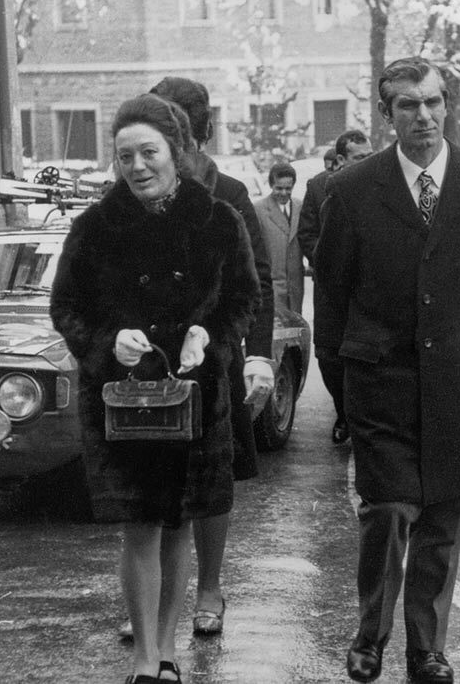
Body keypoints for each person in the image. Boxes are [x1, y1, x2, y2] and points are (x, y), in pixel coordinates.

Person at [315, 57, 460, 684]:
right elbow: (333, 291)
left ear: (446, 105)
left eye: (433, 102)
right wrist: (345, 383)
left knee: (443, 517)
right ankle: (370, 634)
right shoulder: (351, 189)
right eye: (408, 104)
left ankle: (427, 648)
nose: (423, 116)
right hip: (382, 379)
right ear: (387, 115)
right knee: (388, 510)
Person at [50, 94, 261, 684]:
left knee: (179, 525)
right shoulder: (94, 228)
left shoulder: (219, 220)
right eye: (125, 157)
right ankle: (146, 659)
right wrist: (106, 343)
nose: (137, 166)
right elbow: (65, 307)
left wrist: (208, 336)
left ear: (177, 150)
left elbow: (244, 299)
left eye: (149, 152)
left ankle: (167, 650)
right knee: (140, 526)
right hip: (121, 402)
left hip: (195, 398)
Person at [149, 76, 275, 638]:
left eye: (174, 125)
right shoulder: (133, 188)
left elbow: (258, 281)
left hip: (213, 359)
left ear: (198, 131)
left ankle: (209, 589)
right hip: (149, 362)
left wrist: (258, 357)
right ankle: (155, 598)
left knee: (212, 479)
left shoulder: (230, 192)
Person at [297, 128, 373, 444]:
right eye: (359, 157)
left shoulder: (381, 185)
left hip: (369, 290)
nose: (366, 162)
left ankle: (363, 419)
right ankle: (343, 412)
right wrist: (330, 263)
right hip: (330, 290)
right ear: (340, 159)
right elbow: (307, 234)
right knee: (329, 356)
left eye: (369, 156)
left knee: (367, 356)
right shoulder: (318, 187)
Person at [255, 163, 305, 314]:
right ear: (271, 185)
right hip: (271, 286)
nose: (284, 193)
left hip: (296, 287)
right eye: (279, 188)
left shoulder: (301, 206)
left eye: (288, 188)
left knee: (295, 326)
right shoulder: (259, 209)